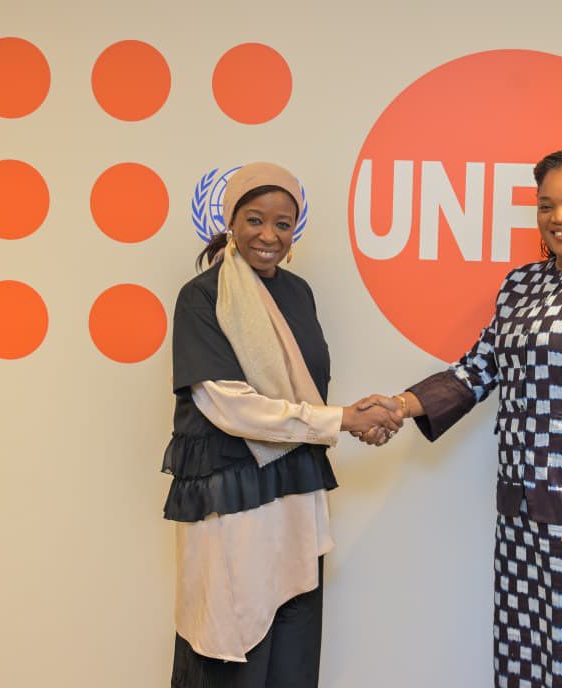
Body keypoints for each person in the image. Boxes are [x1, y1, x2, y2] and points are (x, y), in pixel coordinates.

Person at [364, 149, 562, 687]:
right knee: (522, 654)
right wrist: (401, 405)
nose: (559, 218)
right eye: (546, 206)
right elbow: (480, 367)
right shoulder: (522, 284)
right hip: (523, 506)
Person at [162, 162, 402, 688]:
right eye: (254, 219)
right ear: (230, 221)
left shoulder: (299, 293)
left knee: (293, 648)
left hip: (294, 490)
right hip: (233, 497)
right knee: (232, 642)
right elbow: (228, 405)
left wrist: (353, 417)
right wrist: (341, 420)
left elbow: (305, 391)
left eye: (282, 223)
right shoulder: (201, 296)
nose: (268, 235)